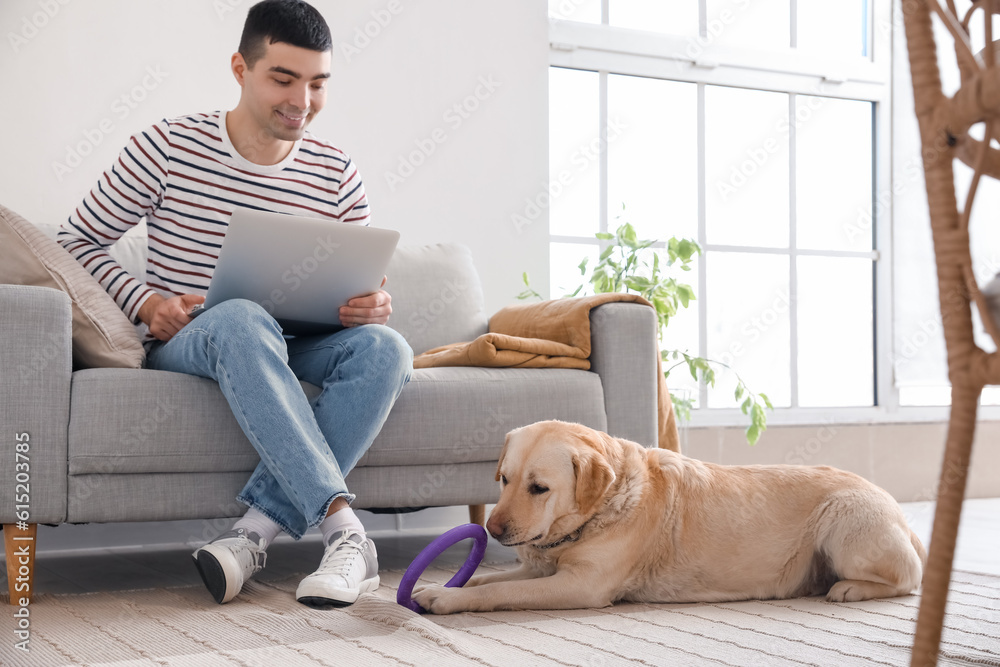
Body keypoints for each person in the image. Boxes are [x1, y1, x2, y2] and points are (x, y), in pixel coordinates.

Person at [57, 0, 412, 607]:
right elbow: (73, 241)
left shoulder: (336, 170)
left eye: (317, 83)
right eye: (283, 78)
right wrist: (145, 302)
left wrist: (374, 305)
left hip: (303, 339)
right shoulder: (167, 146)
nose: (301, 100)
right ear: (240, 69)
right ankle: (346, 532)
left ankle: (253, 533)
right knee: (243, 315)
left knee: (388, 348)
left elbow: (370, 280)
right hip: (195, 339)